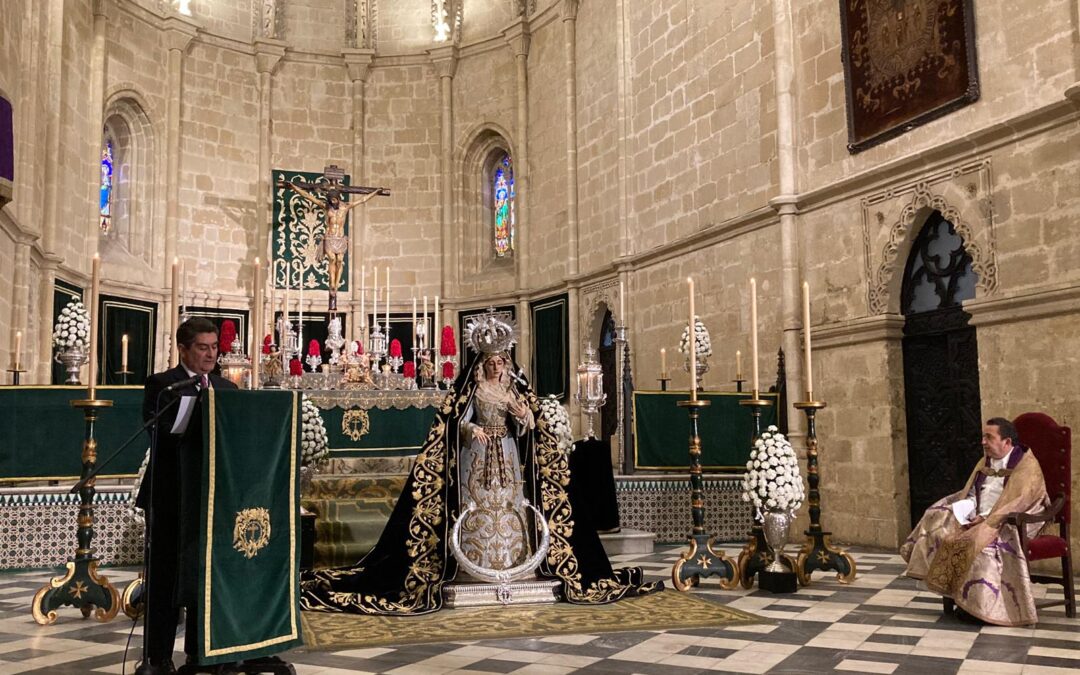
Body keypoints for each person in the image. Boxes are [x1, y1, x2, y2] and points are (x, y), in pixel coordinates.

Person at [300, 312, 659, 614]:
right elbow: (457, 420)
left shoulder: (511, 390)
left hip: (506, 453)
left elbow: (529, 427)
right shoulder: (475, 390)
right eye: (492, 363)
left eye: (501, 362)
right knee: (477, 504)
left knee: (510, 505)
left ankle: (512, 562)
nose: (497, 367)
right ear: (482, 365)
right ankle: (473, 564)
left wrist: (525, 417)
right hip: (477, 456)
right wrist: (472, 431)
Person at [137, 318, 237, 674]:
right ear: (183, 349)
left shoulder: (227, 388)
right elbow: (157, 433)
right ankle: (158, 656)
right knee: (166, 578)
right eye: (202, 347)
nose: (211, 354)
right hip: (169, 496)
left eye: (214, 347)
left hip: (211, 499)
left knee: (206, 578)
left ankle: (201, 654)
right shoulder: (163, 385)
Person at [901, 417, 1048, 626]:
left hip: (1012, 523)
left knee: (979, 547)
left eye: (988, 437)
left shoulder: (1026, 466)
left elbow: (1020, 501)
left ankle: (981, 608)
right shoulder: (985, 462)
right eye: (983, 437)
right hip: (980, 517)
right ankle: (959, 600)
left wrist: (988, 518)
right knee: (939, 527)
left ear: (1006, 442)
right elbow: (972, 492)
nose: (983, 442)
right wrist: (966, 510)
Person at [276, 178, 380, 298]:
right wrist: (294, 187)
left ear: (338, 198)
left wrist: (375, 192)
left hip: (340, 238)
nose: (333, 202)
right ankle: (332, 284)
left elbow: (362, 200)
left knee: (340, 260)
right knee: (331, 258)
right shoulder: (326, 207)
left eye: (334, 199)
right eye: (331, 200)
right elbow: (308, 197)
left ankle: (336, 283)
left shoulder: (345, 207)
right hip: (330, 238)